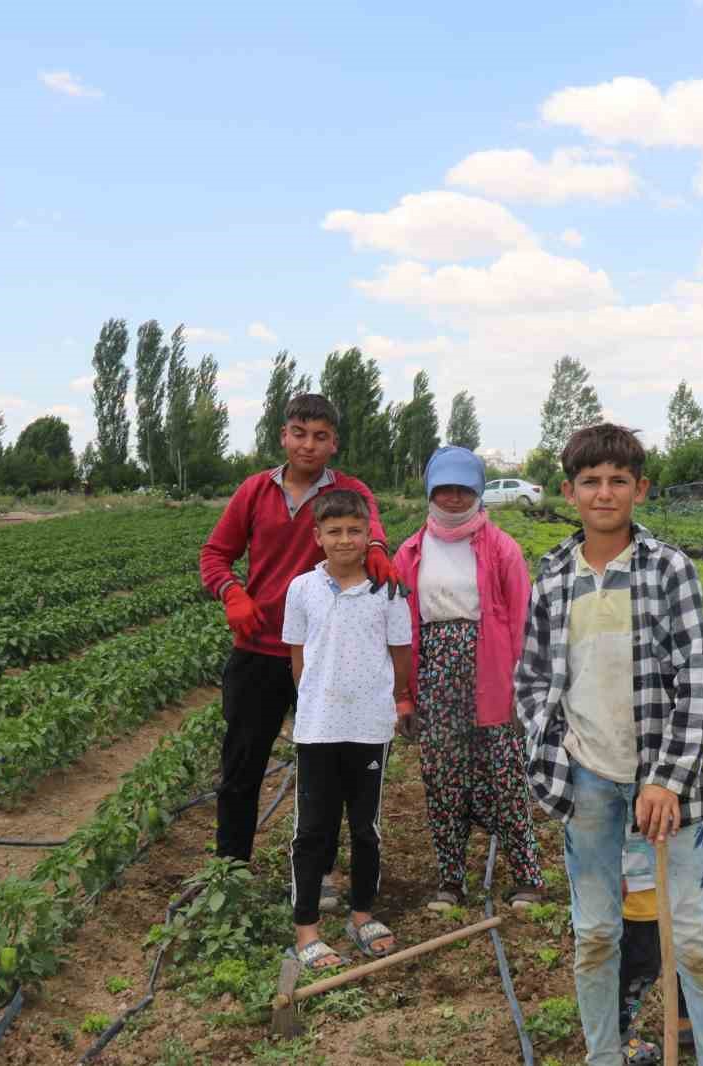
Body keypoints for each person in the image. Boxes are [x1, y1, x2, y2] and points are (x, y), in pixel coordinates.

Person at [515, 423, 703, 1066]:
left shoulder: (670, 570)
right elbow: (530, 677)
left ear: (639, 490)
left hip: (663, 783)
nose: (604, 493)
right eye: (591, 481)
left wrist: (667, 778)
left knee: (693, 941)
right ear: (569, 489)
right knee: (595, 934)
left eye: (618, 481)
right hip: (586, 778)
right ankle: (603, 1055)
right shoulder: (555, 573)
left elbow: (697, 680)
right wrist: (556, 753)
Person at [199, 393, 405, 880]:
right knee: (241, 766)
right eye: (298, 433)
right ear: (282, 436)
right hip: (259, 649)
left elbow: (371, 526)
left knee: (328, 766)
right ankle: (230, 869)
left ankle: (323, 870)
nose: (307, 445)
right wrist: (232, 593)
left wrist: (376, 546)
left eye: (320, 436)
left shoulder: (350, 490)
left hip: (326, 657)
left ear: (334, 443)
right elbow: (214, 554)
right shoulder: (254, 491)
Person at [390, 446, 547, 911]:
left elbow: (525, 620)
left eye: (463, 489)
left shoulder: (501, 548)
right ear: (431, 491)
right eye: (445, 489)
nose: (454, 498)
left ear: (478, 492)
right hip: (434, 675)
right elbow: (398, 629)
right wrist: (404, 697)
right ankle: (450, 881)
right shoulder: (411, 551)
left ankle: (527, 878)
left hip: (493, 675)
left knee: (505, 777)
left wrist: (526, 689)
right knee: (443, 780)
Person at [281, 490, 413, 967]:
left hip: (370, 727)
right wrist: (315, 701)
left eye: (354, 531)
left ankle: (362, 914)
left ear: (369, 536)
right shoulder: (302, 590)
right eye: (333, 531)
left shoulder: (388, 590)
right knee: (311, 829)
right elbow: (299, 659)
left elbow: (401, 655)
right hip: (318, 728)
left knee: (366, 827)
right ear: (317, 537)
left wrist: (394, 700)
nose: (344, 540)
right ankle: (307, 929)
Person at [618, 833, 693, 1065]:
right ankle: (618, 1030)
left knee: (688, 950)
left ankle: (683, 1019)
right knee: (640, 966)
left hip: (679, 872)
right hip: (637, 886)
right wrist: (614, 867)